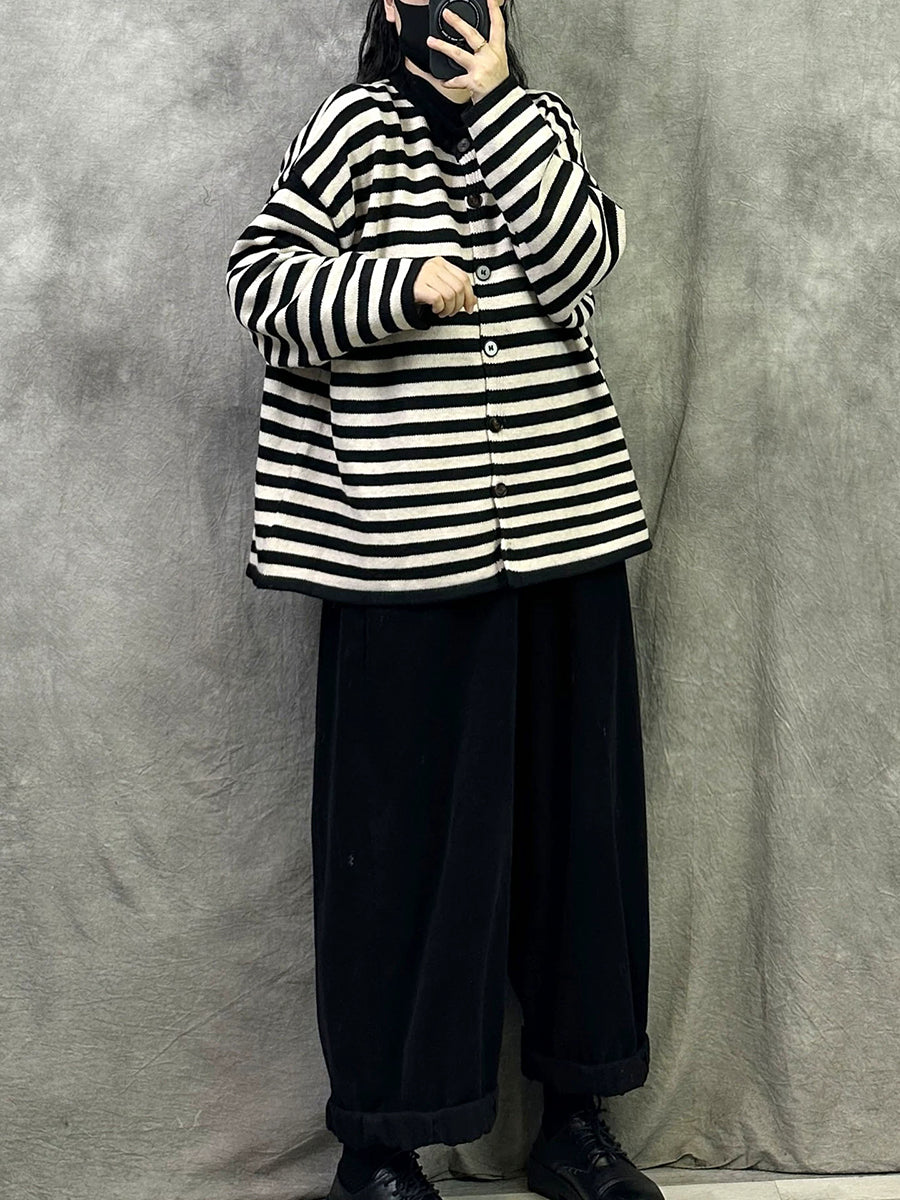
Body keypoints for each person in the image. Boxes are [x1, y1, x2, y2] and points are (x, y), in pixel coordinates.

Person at [225, 3, 661, 1200]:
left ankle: (577, 1119)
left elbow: (582, 266)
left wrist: (503, 110)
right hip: (404, 554)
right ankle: (380, 1146)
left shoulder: (541, 124)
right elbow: (262, 290)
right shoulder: (352, 131)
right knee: (403, 857)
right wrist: (399, 286)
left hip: (567, 541)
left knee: (581, 843)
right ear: (387, 8)